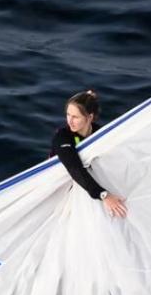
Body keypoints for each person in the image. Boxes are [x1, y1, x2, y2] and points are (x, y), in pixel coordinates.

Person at [50, 90, 127, 218]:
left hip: (89, 181)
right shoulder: (62, 137)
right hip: (62, 186)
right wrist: (104, 195)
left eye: (75, 117)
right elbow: (74, 168)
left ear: (89, 117)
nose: (70, 121)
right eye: (68, 115)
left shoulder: (99, 133)